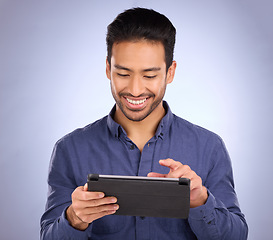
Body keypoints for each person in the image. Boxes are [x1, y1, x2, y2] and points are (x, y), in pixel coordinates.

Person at [40, 7, 248, 240]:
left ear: (170, 72)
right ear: (108, 68)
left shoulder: (209, 147)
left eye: (149, 75)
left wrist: (200, 201)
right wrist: (74, 219)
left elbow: (236, 236)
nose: (135, 90)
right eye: (123, 73)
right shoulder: (70, 149)